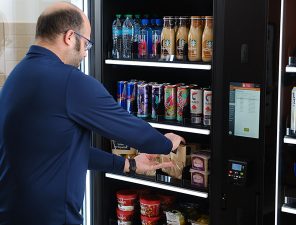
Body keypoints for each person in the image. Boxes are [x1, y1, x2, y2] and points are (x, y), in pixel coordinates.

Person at [0, 2, 185, 225]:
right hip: (52, 218)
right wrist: (166, 144)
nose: (86, 54)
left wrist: (129, 165)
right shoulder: (70, 81)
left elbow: (60, 150)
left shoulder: (17, 76)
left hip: (12, 211)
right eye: (86, 43)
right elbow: (129, 128)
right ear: (70, 36)